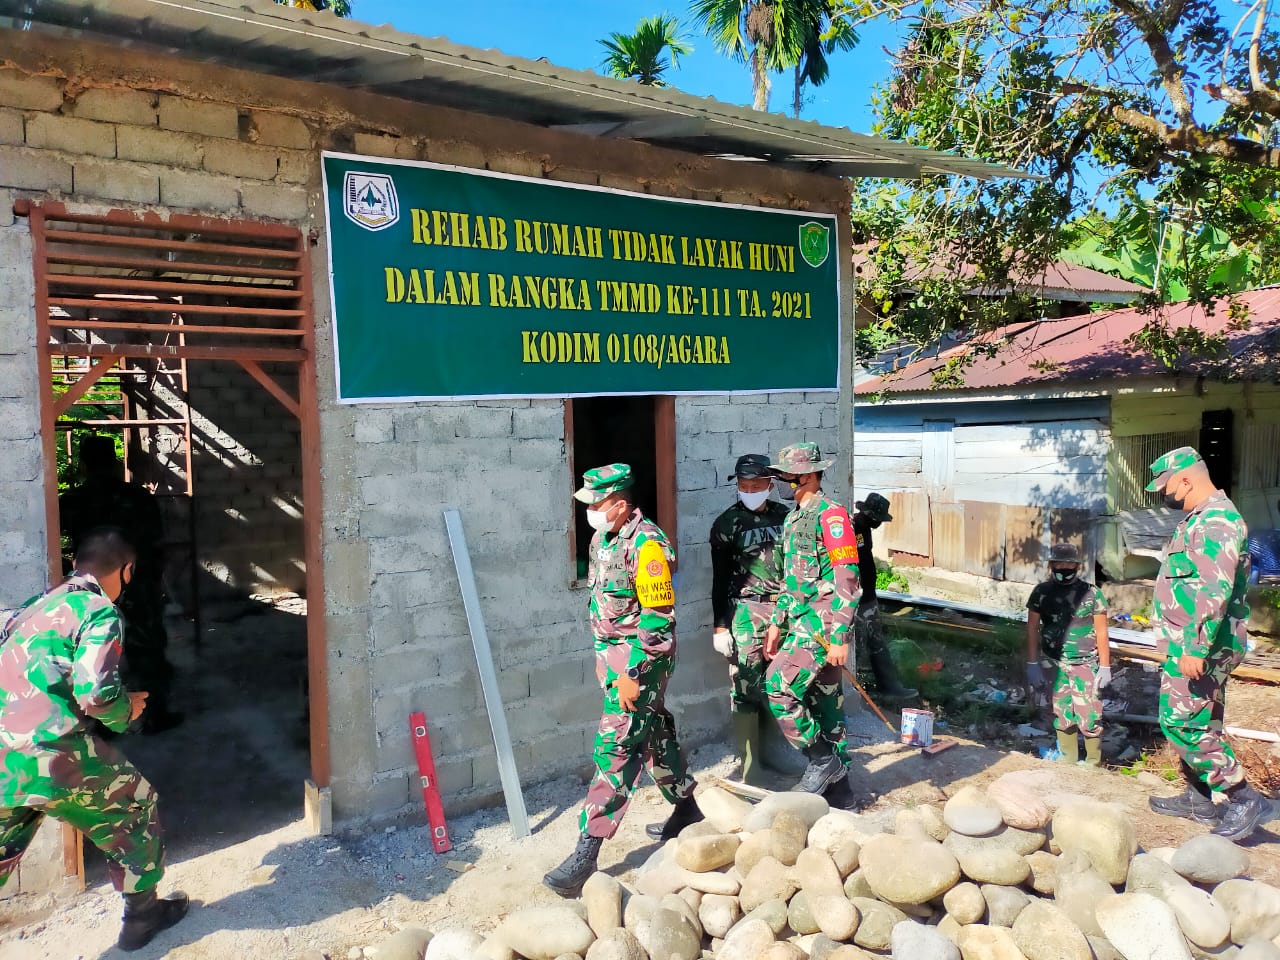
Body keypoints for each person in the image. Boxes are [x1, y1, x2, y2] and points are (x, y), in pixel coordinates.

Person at [0, 528, 188, 952]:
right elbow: (95, 692)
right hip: (55, 751)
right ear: (127, 570)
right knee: (136, 804)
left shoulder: (37, 606)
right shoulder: (97, 610)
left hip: (1, 754)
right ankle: (143, 918)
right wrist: (127, 710)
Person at [544, 464, 701, 897]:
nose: (591, 510)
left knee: (615, 747)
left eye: (596, 503)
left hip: (639, 666)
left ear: (619, 502)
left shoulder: (647, 545)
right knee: (652, 735)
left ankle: (586, 853)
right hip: (612, 666)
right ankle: (687, 808)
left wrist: (632, 674)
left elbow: (658, 621)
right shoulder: (602, 539)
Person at [1144, 446, 1270, 841]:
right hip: (1196, 642)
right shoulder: (1197, 519)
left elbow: (1213, 591)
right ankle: (1200, 796)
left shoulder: (1217, 521)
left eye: (1169, 487)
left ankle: (1242, 797)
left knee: (1179, 721)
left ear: (1186, 479)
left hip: (1202, 646)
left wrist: (1194, 648)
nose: (1167, 495)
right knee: (1204, 720)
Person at [59, 436, 182, 734]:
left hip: (91, 586)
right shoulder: (138, 498)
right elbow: (156, 541)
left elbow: (55, 540)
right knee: (148, 649)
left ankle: (100, 723)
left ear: (84, 464)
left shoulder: (71, 501)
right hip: (136, 583)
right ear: (114, 462)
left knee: (92, 652)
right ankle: (154, 715)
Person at [763, 443, 862, 802]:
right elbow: (792, 580)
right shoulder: (794, 518)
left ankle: (821, 761)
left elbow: (847, 579)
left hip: (822, 623)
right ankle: (843, 797)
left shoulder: (831, 516)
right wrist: (777, 622)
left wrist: (840, 636)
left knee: (778, 686)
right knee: (826, 708)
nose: (780, 481)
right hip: (800, 620)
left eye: (785, 475)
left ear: (806, 476)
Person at [705, 453, 789, 786]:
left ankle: (778, 753)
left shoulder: (787, 518)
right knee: (744, 687)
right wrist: (720, 626)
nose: (749, 490)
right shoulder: (727, 524)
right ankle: (750, 766)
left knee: (782, 686)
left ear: (770, 484)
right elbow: (720, 577)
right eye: (743, 485)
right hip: (746, 612)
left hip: (784, 611)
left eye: (756, 485)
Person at [1024, 542, 1111, 767]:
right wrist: (1032, 662)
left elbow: (1102, 631)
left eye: (1069, 563)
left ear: (1078, 567)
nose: (1064, 567)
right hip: (1053, 665)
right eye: (1060, 563)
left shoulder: (1092, 594)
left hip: (1085, 664)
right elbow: (1032, 628)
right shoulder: (1041, 593)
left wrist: (1105, 666)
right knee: (1061, 714)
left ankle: (1093, 762)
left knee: (1089, 715)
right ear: (1051, 565)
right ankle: (1067, 760)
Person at [851, 492, 916, 701]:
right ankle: (859, 690)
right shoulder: (855, 528)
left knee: (876, 642)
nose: (880, 523)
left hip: (868, 595)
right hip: (858, 597)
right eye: (879, 519)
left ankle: (889, 687)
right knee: (860, 645)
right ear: (872, 516)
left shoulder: (864, 528)